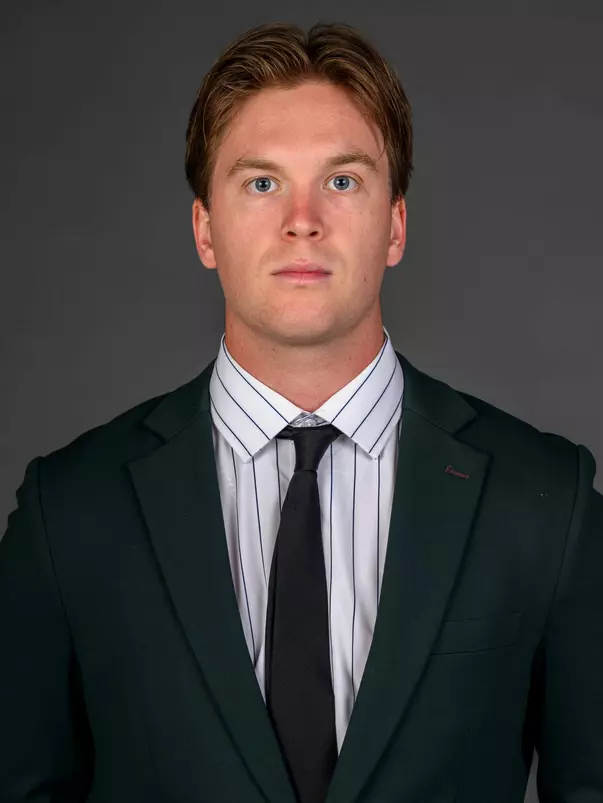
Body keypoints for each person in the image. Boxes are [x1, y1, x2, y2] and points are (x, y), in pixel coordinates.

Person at [0, 19, 601, 803]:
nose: (302, 218)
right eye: (261, 182)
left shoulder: (543, 501)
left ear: (394, 225)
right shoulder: (69, 511)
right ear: (203, 229)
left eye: (343, 181)